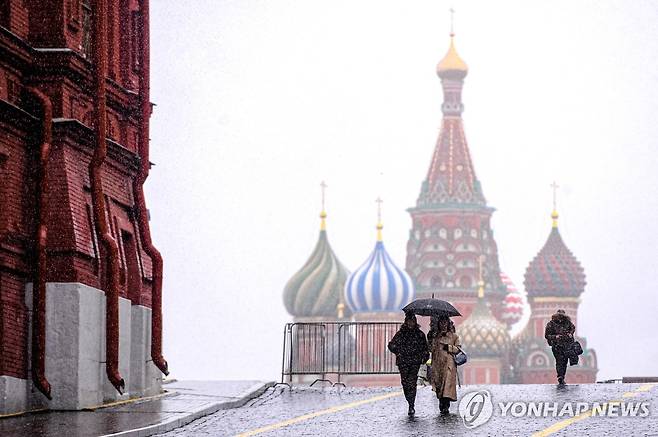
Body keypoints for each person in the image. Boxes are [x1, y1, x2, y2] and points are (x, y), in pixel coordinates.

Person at [388, 312, 429, 416]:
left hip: (414, 362)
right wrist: (399, 351)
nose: (411, 323)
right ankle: (409, 400)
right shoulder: (401, 334)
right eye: (409, 321)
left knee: (412, 383)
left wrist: (423, 357)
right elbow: (391, 345)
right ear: (406, 322)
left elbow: (425, 349)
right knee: (405, 383)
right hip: (403, 362)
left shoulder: (419, 334)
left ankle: (411, 405)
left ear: (415, 322)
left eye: (412, 321)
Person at [430, 316, 460, 415]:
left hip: (449, 364)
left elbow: (458, 349)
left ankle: (446, 405)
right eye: (441, 323)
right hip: (438, 364)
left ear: (448, 324)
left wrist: (449, 347)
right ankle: (441, 403)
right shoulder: (436, 336)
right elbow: (431, 348)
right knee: (439, 385)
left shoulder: (454, 336)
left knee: (447, 386)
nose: (443, 325)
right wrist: (431, 336)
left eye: (445, 323)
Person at [544, 309, 576, 386]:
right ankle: (560, 377)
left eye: (562, 316)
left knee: (564, 362)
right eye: (559, 316)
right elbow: (547, 335)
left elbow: (573, 328)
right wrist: (555, 337)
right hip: (556, 346)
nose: (560, 317)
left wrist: (570, 334)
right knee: (559, 361)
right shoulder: (551, 324)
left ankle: (562, 376)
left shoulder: (568, 323)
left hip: (566, 345)